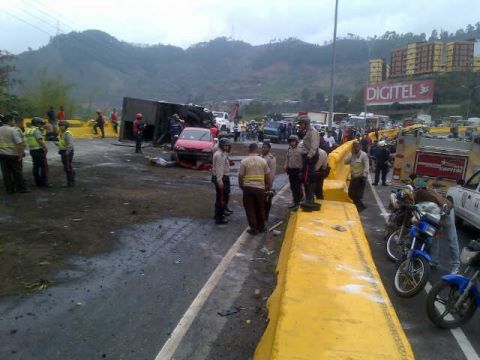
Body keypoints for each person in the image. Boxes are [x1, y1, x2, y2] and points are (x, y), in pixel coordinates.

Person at [414, 184, 460, 273]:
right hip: (435, 213)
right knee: (433, 236)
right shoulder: (421, 197)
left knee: (452, 239)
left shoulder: (426, 196)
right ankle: (433, 261)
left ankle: (456, 265)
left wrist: (438, 226)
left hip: (446, 212)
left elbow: (442, 209)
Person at [238, 143, 271, 235]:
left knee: (250, 209)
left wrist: (241, 186)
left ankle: (254, 229)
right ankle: (261, 227)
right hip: (260, 188)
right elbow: (267, 175)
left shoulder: (244, 161)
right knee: (260, 208)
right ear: (257, 150)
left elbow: (240, 176)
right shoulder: (263, 161)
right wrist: (268, 185)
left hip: (248, 188)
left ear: (249, 150)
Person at [0, 114, 30, 193]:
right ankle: (21, 188)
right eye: (13, 120)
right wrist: (20, 154)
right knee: (17, 172)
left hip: (2, 155)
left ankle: (9, 189)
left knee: (6, 173)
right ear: (9, 121)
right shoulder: (13, 130)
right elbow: (19, 143)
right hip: (12, 154)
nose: (14, 122)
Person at [298, 117, 320, 205]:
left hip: (310, 157)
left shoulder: (313, 132)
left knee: (309, 178)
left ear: (305, 124)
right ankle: (308, 198)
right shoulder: (308, 131)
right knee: (306, 178)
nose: (300, 126)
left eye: (301, 124)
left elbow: (314, 147)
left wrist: (309, 157)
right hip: (307, 156)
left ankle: (310, 199)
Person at [344, 140, 369, 211]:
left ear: (360, 147)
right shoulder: (352, 154)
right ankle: (359, 207)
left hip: (360, 178)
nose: (356, 148)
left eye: (357, 146)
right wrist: (351, 154)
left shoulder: (363, 155)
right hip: (353, 177)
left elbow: (366, 166)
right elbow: (345, 162)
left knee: (357, 196)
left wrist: (364, 176)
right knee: (350, 195)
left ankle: (360, 208)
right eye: (354, 147)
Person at [212, 137, 232, 225]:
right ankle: (219, 218)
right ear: (221, 145)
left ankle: (217, 215)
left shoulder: (222, 153)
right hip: (222, 178)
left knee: (220, 197)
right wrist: (220, 181)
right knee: (222, 198)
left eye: (228, 145)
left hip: (221, 177)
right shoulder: (220, 155)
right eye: (225, 145)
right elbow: (219, 169)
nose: (227, 147)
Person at [26, 117, 51, 187]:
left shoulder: (30, 130)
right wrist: (45, 147)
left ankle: (37, 182)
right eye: (40, 123)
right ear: (37, 123)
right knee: (44, 167)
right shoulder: (36, 130)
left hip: (32, 150)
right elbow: (39, 140)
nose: (41, 125)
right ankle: (44, 182)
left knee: (35, 167)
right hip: (39, 150)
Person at [284, 135, 303, 209]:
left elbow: (303, 161)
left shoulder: (301, 150)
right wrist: (285, 165)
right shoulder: (289, 149)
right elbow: (287, 159)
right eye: (290, 141)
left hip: (298, 171)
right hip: (291, 171)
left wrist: (302, 171)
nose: (292, 143)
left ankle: (298, 202)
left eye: (293, 141)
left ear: (296, 141)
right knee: (292, 187)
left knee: (297, 187)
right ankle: (295, 202)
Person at [56, 120, 75, 187]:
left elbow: (70, 145)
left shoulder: (67, 134)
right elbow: (62, 143)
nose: (61, 127)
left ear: (66, 126)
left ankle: (69, 182)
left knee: (67, 168)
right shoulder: (62, 133)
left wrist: (66, 153)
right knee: (67, 167)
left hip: (67, 152)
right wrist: (57, 144)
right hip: (63, 152)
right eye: (60, 125)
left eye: (62, 125)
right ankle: (72, 178)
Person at [261, 141, 276, 221]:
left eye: (265, 147)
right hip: (260, 182)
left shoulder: (271, 158)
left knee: (267, 200)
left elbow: (272, 172)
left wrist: (269, 184)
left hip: (267, 182)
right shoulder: (261, 157)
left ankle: (265, 216)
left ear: (269, 149)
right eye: (263, 147)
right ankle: (261, 215)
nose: (263, 149)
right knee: (261, 200)